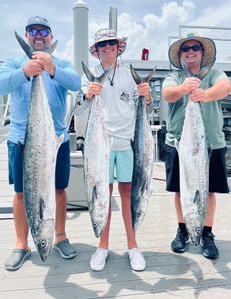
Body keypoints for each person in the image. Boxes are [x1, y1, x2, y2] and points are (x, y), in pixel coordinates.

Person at [0, 16, 81, 270]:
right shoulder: (14, 62)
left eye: (43, 31)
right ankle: (22, 244)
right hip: (22, 140)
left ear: (50, 36)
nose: (38, 35)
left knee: (58, 189)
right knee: (21, 193)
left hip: (55, 141)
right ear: (26, 36)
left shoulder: (60, 62)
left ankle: (60, 237)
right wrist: (26, 71)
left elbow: (76, 83)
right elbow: (1, 84)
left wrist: (51, 68)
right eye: (33, 31)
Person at [80, 28, 153, 271]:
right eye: (103, 45)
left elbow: (145, 108)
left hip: (127, 143)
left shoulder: (128, 75)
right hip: (99, 146)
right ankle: (103, 246)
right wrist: (89, 96)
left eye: (112, 43)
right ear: (97, 51)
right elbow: (79, 110)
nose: (108, 48)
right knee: (103, 194)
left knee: (128, 192)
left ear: (118, 47)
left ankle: (133, 246)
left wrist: (148, 97)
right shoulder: (90, 78)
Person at [162, 32, 230, 259]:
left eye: (195, 48)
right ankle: (182, 230)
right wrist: (184, 89)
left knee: (209, 190)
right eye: (185, 49)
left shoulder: (215, 74)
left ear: (202, 53)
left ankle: (207, 234)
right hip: (178, 143)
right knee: (180, 190)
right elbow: (167, 94)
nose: (190, 51)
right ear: (180, 55)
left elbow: (225, 87)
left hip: (211, 143)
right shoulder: (174, 76)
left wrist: (204, 94)